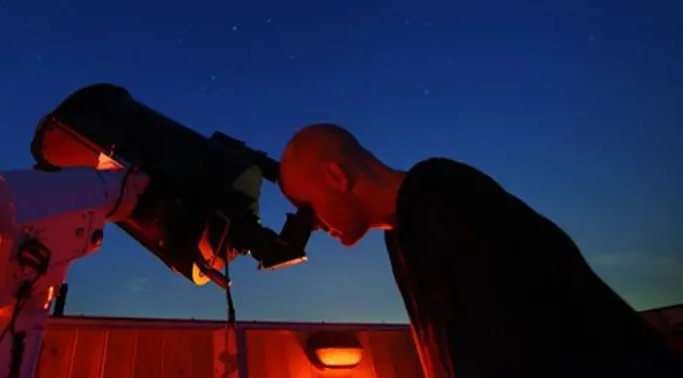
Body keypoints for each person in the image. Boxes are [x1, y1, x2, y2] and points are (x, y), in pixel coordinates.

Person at [279, 124, 683, 378]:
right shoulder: (404, 232)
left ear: (335, 176)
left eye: (308, 209)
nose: (314, 226)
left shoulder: (444, 195)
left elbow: (530, 337)